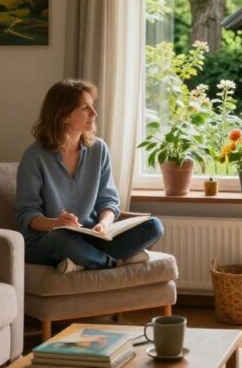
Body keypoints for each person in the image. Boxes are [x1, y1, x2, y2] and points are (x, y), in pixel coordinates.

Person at [16, 79, 163, 274]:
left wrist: (104, 224)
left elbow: (108, 201)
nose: (94, 113)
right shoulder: (34, 156)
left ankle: (81, 261)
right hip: (48, 241)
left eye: (92, 106)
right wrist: (56, 223)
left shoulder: (98, 149)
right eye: (85, 108)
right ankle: (113, 263)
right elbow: (26, 214)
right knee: (62, 240)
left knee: (153, 226)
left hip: (91, 237)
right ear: (64, 116)